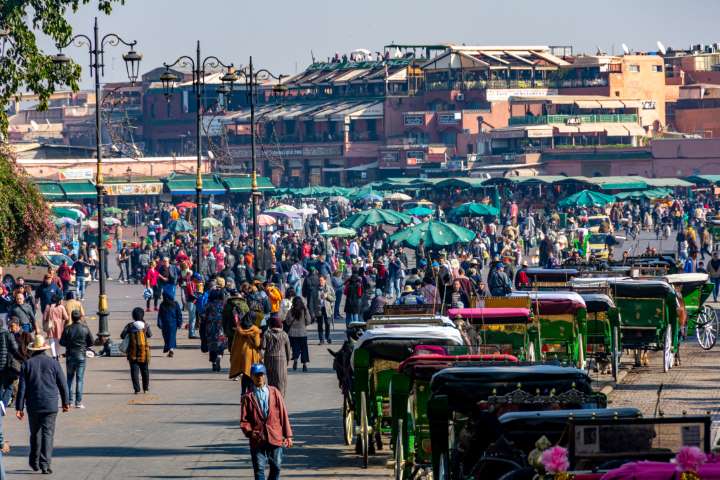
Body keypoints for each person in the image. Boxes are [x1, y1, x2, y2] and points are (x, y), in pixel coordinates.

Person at [15, 334, 70, 475]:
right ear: (44, 348)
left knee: (35, 434)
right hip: (50, 404)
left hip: (33, 404)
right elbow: (63, 385)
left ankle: (34, 461)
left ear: (33, 349)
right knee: (48, 434)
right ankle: (45, 464)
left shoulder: (27, 364)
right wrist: (66, 402)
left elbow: (22, 388)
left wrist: (19, 407)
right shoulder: (54, 363)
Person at [240, 363, 293, 480]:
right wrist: (250, 432)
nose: (259, 378)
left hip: (275, 436)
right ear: (252, 377)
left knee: (276, 467)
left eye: (261, 375)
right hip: (257, 439)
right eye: (256, 375)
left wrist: (288, 436)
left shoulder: (274, 392)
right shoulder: (247, 397)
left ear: (265, 376)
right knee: (259, 468)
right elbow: (244, 420)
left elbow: (283, 414)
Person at [59, 310, 93, 409]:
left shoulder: (67, 328)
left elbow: (61, 342)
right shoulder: (84, 328)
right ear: (80, 317)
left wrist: (69, 344)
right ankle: (78, 402)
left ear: (71, 318)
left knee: (69, 379)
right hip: (81, 355)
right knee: (80, 379)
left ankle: (69, 401)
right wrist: (83, 345)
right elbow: (91, 342)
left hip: (70, 355)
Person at [229, 311, 262, 395]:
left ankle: (243, 392)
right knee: (250, 374)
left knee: (244, 373)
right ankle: (250, 394)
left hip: (240, 353)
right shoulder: (255, 329)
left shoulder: (239, 328)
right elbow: (257, 344)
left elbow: (234, 342)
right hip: (251, 354)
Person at [120, 308, 152, 394]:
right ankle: (145, 388)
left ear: (133, 316)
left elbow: (122, 336)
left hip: (132, 352)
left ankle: (137, 389)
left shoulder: (130, 325)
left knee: (134, 372)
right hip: (144, 352)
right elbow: (150, 335)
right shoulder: (146, 325)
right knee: (145, 371)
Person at [261, 315, 291, 397]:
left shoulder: (266, 334)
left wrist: (261, 359)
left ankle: (272, 397)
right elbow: (288, 350)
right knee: (281, 381)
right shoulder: (284, 334)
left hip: (269, 359)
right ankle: (280, 398)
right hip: (281, 360)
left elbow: (263, 348)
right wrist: (288, 361)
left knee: (271, 380)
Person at [284, 296, 311, 372]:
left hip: (292, 333)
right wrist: (304, 324)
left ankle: (295, 360)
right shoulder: (304, 311)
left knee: (295, 348)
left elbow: (287, 322)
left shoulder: (290, 311)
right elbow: (309, 321)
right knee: (304, 349)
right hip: (302, 333)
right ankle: (304, 365)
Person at [157, 293, 183, 358]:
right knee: (172, 336)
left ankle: (169, 349)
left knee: (166, 337)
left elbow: (159, 315)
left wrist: (159, 323)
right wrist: (179, 323)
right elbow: (179, 314)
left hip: (165, 324)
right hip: (173, 324)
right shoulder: (175, 304)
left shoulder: (162, 304)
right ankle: (171, 349)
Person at [0, 321, 19, 408]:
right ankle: (3, 405)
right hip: (6, 365)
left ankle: (0, 404)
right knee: (9, 386)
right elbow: (15, 348)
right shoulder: (7, 334)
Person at [42, 295, 67, 359]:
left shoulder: (48, 306)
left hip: (50, 325)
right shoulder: (61, 307)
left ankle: (54, 355)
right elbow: (66, 317)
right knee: (58, 340)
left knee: (51, 340)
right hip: (59, 325)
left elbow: (44, 318)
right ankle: (57, 354)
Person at [316, 276, 335, 345]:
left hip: (327, 309)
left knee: (328, 323)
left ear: (325, 281)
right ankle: (321, 339)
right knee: (320, 325)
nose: (320, 282)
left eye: (321, 280)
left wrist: (327, 296)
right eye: (319, 280)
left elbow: (334, 298)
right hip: (319, 309)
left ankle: (328, 337)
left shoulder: (329, 288)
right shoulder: (316, 289)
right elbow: (313, 299)